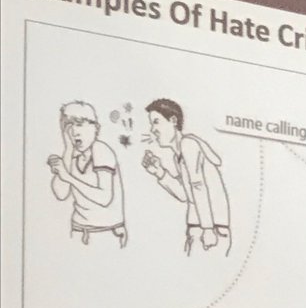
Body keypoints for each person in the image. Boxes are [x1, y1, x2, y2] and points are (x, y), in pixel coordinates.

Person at [142, 98, 230, 255]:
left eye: (156, 122)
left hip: (210, 229)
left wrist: (207, 228)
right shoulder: (179, 153)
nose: (153, 130)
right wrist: (159, 172)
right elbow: (186, 195)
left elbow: (198, 186)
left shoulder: (188, 144)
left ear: (173, 121)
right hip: (199, 227)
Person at [47, 102, 126, 246]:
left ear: (96, 128)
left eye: (80, 125)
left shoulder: (101, 150)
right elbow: (61, 194)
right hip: (78, 230)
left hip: (106, 232)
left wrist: (68, 177)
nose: (74, 132)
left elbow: (105, 198)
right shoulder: (71, 155)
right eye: (68, 126)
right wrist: (68, 150)